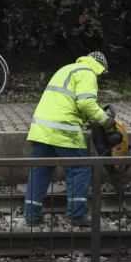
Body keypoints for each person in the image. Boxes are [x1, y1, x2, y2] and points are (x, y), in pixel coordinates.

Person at [24, 52, 115, 227]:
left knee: (40, 172)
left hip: (41, 129)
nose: (99, 78)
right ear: (99, 68)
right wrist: (105, 120)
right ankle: (76, 214)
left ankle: (32, 217)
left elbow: (66, 102)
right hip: (63, 129)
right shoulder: (88, 73)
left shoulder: (67, 69)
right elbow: (86, 103)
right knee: (80, 168)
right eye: (100, 75)